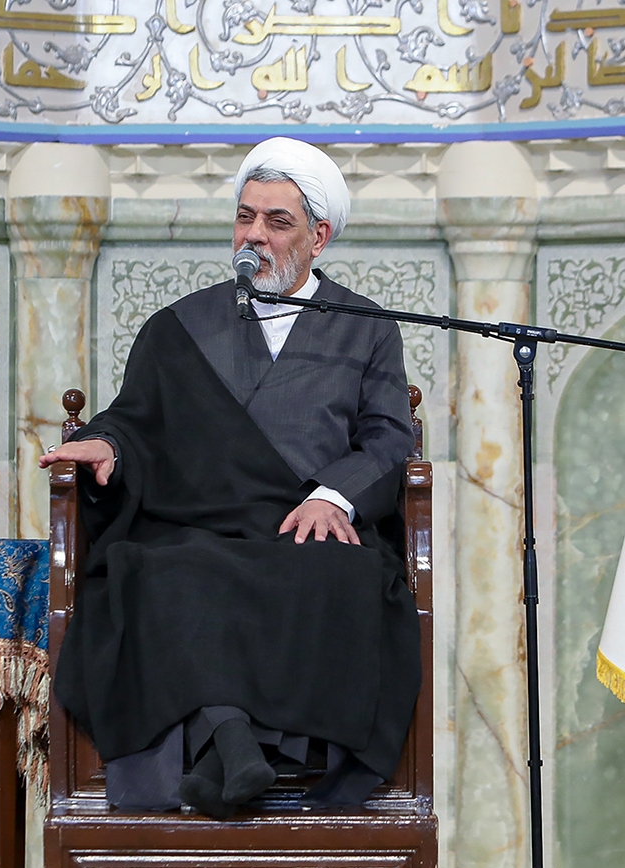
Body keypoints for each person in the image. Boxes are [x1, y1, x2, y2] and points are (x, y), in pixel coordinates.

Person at [37, 137, 421, 819]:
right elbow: (136, 417)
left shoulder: (366, 329)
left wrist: (334, 497)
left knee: (339, 575)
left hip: (305, 523)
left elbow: (391, 437)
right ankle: (232, 740)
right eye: (245, 217)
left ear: (318, 238)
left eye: (277, 222)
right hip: (197, 523)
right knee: (160, 571)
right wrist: (107, 445)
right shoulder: (179, 327)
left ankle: (243, 744)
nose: (254, 235)